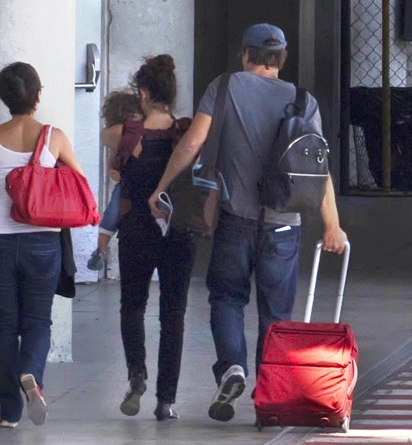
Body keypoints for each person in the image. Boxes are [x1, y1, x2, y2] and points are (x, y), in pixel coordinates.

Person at [148, 23, 348, 422]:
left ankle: (232, 367)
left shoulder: (224, 87)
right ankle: (267, 401)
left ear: (245, 55)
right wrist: (332, 225)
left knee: (226, 298)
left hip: (235, 220)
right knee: (276, 314)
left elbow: (192, 143)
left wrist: (162, 187)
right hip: (284, 226)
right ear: (281, 59)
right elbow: (318, 169)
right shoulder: (303, 101)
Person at [0, 61, 85, 428]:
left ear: (5, 97)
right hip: (42, 242)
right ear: (37, 95)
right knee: (37, 321)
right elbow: (78, 180)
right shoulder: (54, 137)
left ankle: (9, 412)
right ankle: (31, 373)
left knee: (5, 326)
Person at [101, 54, 197, 421]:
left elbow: (105, 137)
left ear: (142, 93)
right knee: (173, 314)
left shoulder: (126, 133)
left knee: (132, 305)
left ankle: (136, 375)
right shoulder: (185, 133)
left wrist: (129, 129)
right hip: (178, 232)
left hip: (136, 231)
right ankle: (166, 401)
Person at [87, 90, 143, 271]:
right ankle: (100, 251)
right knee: (112, 212)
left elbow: (112, 163)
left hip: (131, 184)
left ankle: (100, 250)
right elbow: (113, 164)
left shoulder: (118, 133)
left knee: (112, 213)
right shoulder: (130, 131)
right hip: (137, 184)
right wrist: (114, 171)